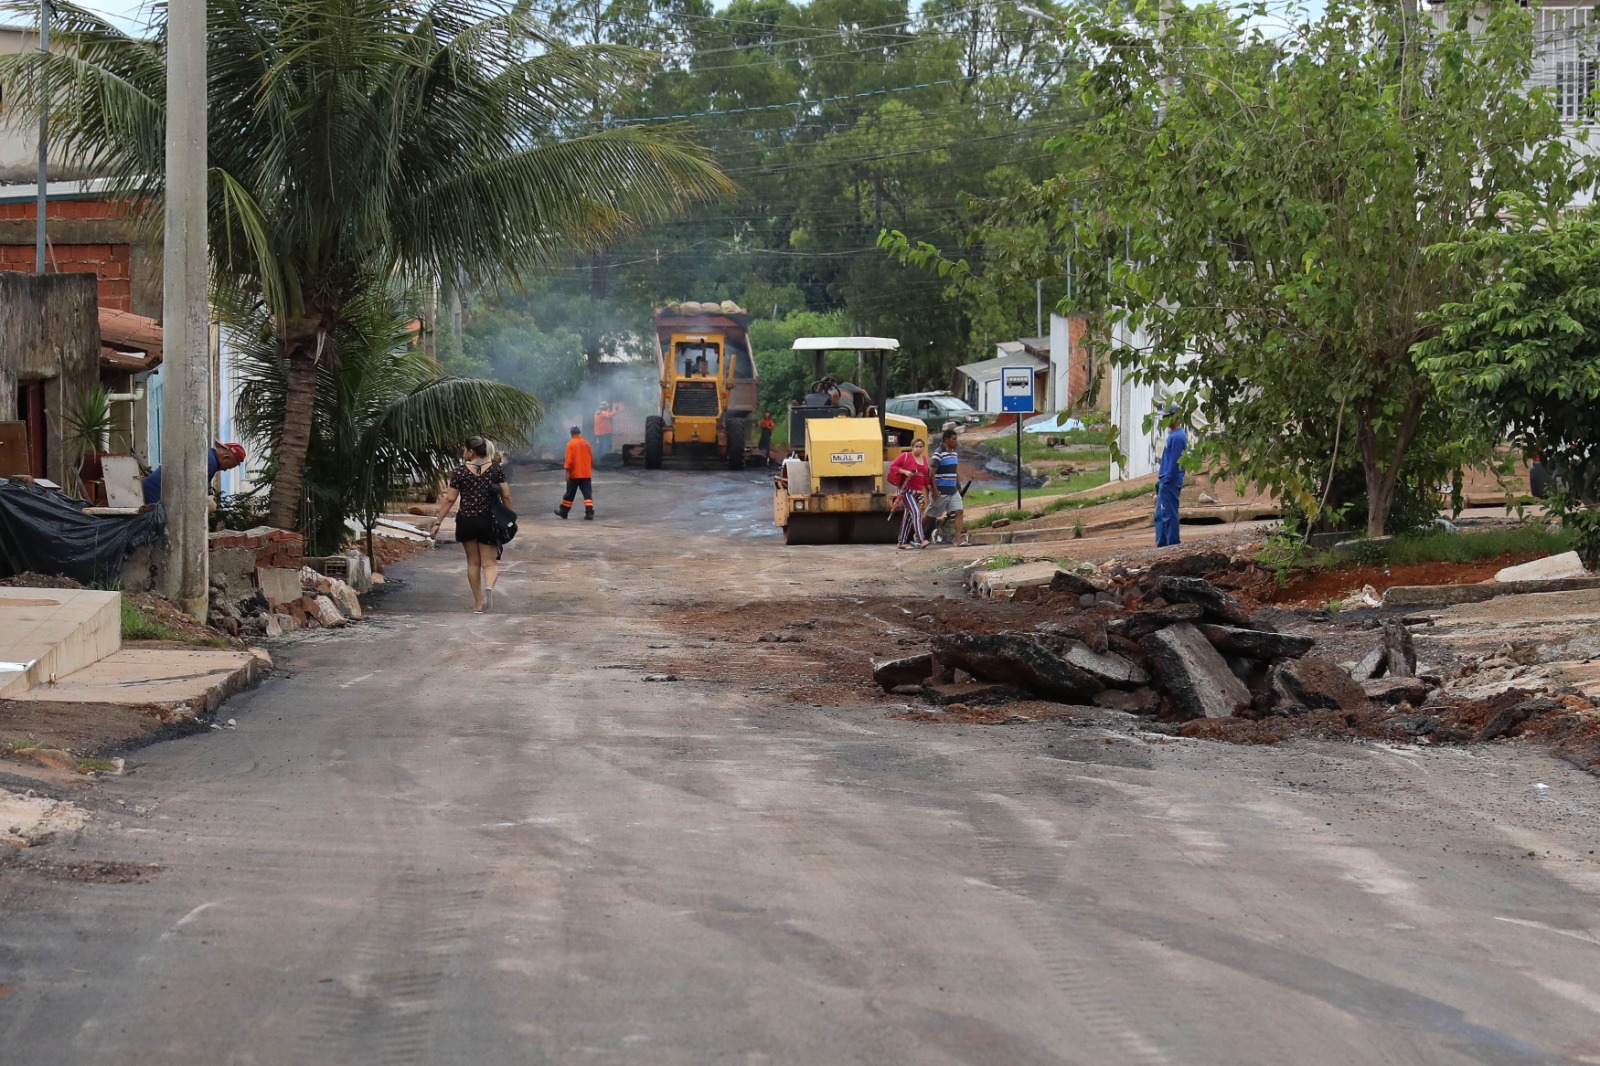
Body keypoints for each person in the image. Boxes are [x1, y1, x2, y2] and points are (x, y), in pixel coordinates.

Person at [428, 436, 511, 613]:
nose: (463, 452)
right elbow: (506, 496)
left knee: (473, 563)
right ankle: (489, 587)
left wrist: (438, 522)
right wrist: (508, 516)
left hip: (466, 521)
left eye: (464, 449)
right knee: (490, 563)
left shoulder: (460, 472)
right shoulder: (496, 470)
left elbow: (450, 498)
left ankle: (478, 605)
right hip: (488, 521)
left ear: (471, 452)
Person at [141, 441, 246, 505]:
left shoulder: (206, 455)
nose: (225, 470)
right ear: (225, 457)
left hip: (154, 488)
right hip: (157, 493)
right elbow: (193, 496)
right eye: (228, 466)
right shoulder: (210, 464)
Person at [887, 437, 932, 550]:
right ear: (912, 447)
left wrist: (932, 489)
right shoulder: (905, 456)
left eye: (921, 447)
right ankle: (921, 539)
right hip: (906, 491)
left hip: (917, 492)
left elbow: (925, 477)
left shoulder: (925, 460)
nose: (918, 449)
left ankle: (901, 542)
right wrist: (905, 471)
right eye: (916, 446)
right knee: (916, 513)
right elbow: (893, 466)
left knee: (908, 517)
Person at [1155, 403, 1188, 547]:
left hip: (1170, 481)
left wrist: (1167, 480)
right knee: (1160, 516)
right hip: (1164, 480)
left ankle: (1172, 544)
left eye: (1167, 417)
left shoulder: (1178, 437)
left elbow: (1175, 462)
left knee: (1169, 514)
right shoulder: (1172, 436)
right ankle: (1161, 544)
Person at [926, 429, 966, 546]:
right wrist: (934, 490)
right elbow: (931, 474)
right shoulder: (938, 454)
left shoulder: (954, 453)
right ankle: (918, 533)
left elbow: (954, 471)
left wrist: (958, 486)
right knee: (931, 516)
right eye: (954, 439)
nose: (956, 441)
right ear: (946, 440)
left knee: (959, 511)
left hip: (952, 490)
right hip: (941, 491)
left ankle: (957, 539)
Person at [555, 424, 595, 520]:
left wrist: (567, 472)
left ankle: (563, 512)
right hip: (586, 473)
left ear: (571, 433)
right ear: (579, 432)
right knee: (587, 494)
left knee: (570, 493)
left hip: (574, 474)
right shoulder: (586, 443)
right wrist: (589, 468)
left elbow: (569, 460)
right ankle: (589, 513)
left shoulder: (570, 444)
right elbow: (591, 458)